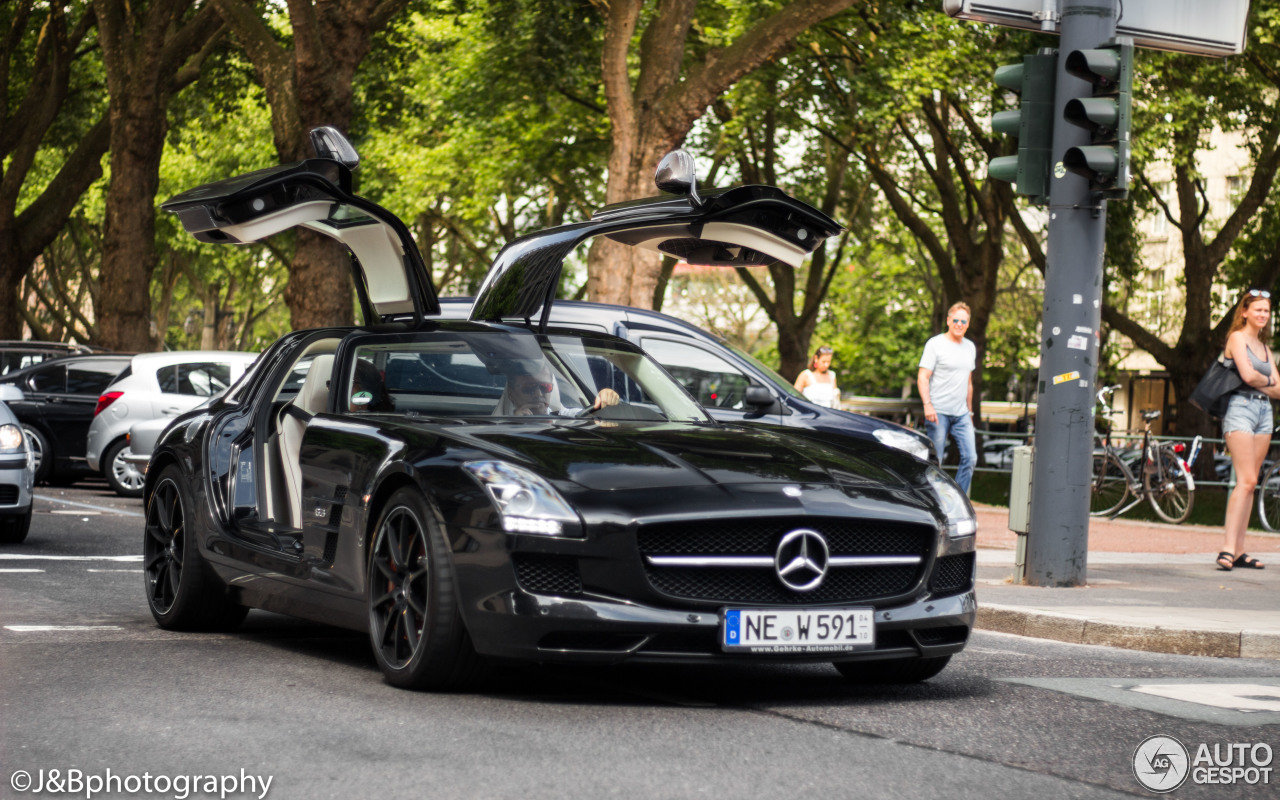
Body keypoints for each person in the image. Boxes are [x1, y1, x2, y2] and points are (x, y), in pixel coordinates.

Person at [1217, 288, 1274, 571]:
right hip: (1240, 408)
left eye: (1266, 310)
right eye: (1258, 310)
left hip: (1265, 412)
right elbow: (1248, 374)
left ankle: (1239, 550)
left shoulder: (1265, 349)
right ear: (1245, 312)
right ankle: (1227, 548)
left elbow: (1277, 387)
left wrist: (1260, 381)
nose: (1263, 314)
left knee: (1251, 484)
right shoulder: (1237, 338)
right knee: (1246, 479)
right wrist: (1266, 381)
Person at [918, 302, 977, 493]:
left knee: (971, 458)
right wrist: (927, 405)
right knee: (936, 461)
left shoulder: (970, 347)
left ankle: (958, 501)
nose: (959, 324)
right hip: (938, 412)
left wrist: (970, 411)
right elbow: (923, 377)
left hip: (961, 414)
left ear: (968, 324)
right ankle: (932, 501)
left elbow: (969, 382)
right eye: (956, 320)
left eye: (964, 321)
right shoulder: (935, 344)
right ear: (949, 321)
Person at [494, 360, 620, 417]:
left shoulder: (565, 417)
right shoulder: (496, 429)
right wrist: (514, 425)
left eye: (545, 387)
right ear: (511, 393)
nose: (538, 394)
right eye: (529, 388)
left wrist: (605, 398)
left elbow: (588, 415)